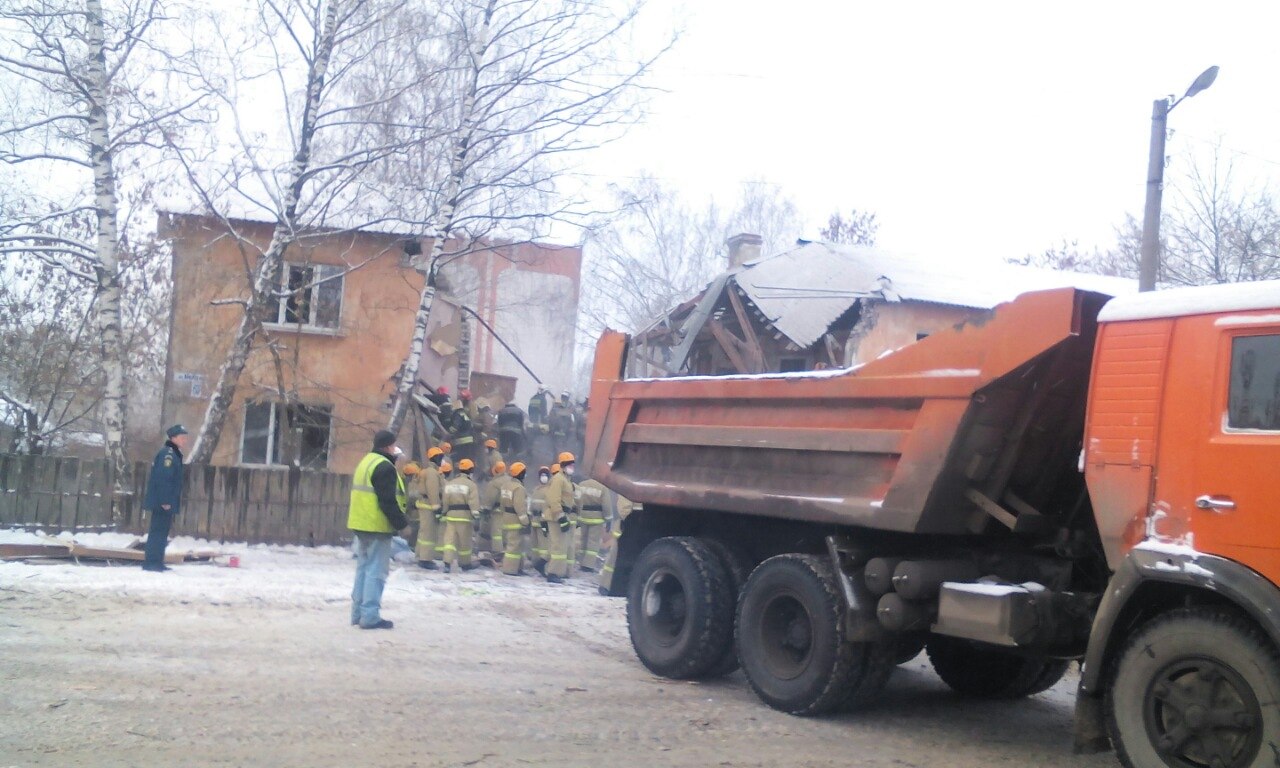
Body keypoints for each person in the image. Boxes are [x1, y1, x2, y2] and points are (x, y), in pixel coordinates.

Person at [348, 429, 409, 630]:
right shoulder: (384, 467)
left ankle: (357, 614)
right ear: (388, 446)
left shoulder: (366, 462)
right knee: (376, 571)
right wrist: (401, 524)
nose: (394, 449)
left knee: (363, 570)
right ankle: (370, 616)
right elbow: (387, 501)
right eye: (393, 445)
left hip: (360, 523)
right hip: (377, 525)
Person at [142, 424, 189, 572]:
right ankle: (152, 563)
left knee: (162, 532)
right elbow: (164, 478)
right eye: (181, 437)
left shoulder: (173, 453)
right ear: (173, 438)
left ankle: (157, 561)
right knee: (158, 531)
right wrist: (165, 501)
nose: (184, 440)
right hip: (162, 501)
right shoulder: (168, 454)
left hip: (165, 501)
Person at [440, 457, 480, 573]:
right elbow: (473, 502)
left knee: (449, 541)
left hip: (451, 516)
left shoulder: (450, 484)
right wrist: (476, 516)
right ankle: (465, 563)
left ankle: (447, 563)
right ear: (470, 470)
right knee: (464, 542)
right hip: (464, 517)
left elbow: (445, 502)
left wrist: (444, 512)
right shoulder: (471, 485)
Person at [409, 447, 446, 569]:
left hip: (424, 504)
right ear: (435, 457)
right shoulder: (432, 473)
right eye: (440, 457)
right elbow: (433, 491)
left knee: (423, 531)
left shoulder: (426, 471)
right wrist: (436, 507)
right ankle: (425, 559)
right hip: (429, 505)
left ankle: (419, 554)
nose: (442, 459)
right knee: (429, 533)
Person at [542, 452, 577, 584]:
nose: (572, 467)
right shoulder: (558, 479)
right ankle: (553, 574)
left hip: (562, 514)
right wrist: (561, 517)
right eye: (570, 465)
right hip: (556, 517)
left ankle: (544, 565)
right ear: (563, 465)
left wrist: (572, 508)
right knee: (558, 547)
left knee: (560, 545)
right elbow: (554, 500)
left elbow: (566, 498)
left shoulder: (566, 480)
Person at [599, 495, 641, 595]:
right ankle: (606, 585)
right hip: (626, 527)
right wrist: (632, 522)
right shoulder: (629, 488)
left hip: (636, 528)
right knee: (615, 556)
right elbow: (623, 508)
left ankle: (620, 587)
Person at [498, 463, 530, 575]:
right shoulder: (519, 488)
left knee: (515, 545)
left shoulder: (506, 486)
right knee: (513, 546)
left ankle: (518, 567)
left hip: (507, 518)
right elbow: (520, 507)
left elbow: (502, 504)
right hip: (516, 521)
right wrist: (525, 521)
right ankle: (510, 569)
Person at [574, 475, 609, 572]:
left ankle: (581, 562)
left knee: (583, 540)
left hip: (583, 516)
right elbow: (606, 505)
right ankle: (588, 566)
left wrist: (576, 516)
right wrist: (608, 519)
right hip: (596, 519)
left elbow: (576, 500)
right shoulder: (603, 487)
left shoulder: (581, 485)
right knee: (592, 543)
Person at [479, 460, 507, 558]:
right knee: (506, 531)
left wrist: (486, 509)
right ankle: (506, 548)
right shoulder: (511, 480)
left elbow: (490, 498)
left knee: (497, 532)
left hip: (498, 511)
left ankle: (498, 552)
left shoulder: (494, 483)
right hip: (510, 511)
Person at [528, 466, 551, 574]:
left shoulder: (550, 489)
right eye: (542, 475)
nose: (544, 477)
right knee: (535, 544)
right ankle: (535, 562)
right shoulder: (536, 489)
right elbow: (531, 504)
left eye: (546, 475)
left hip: (543, 520)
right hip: (534, 520)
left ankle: (542, 565)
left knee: (543, 544)